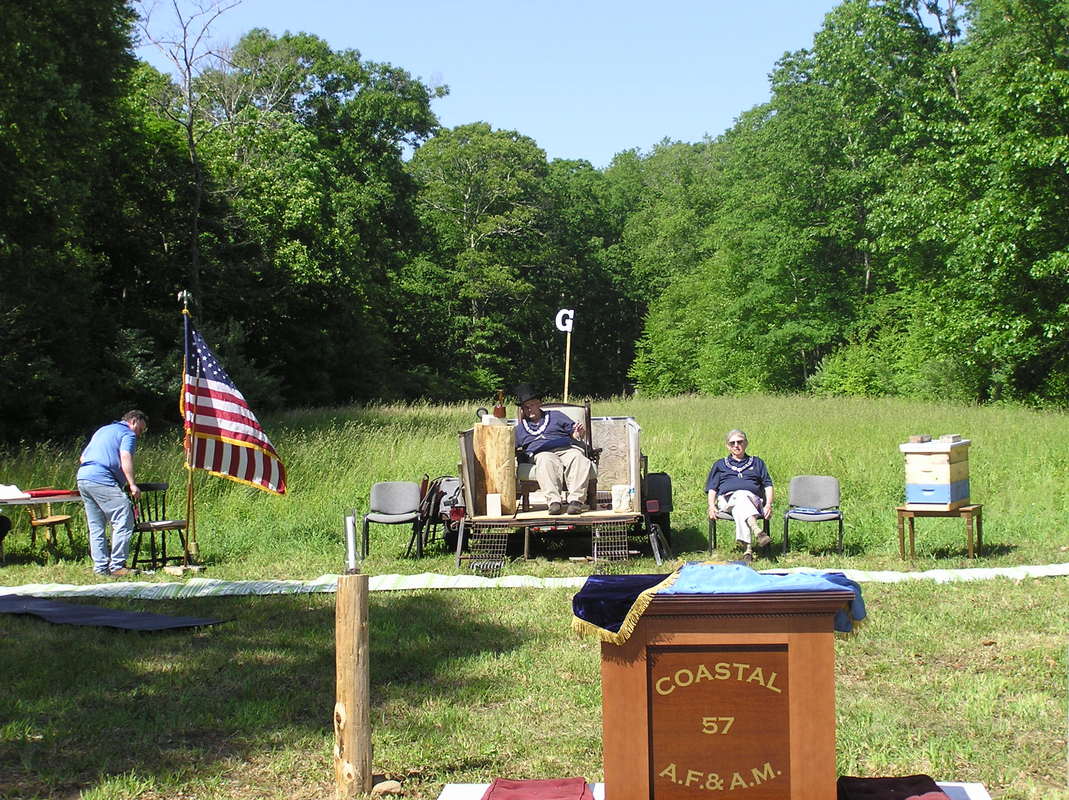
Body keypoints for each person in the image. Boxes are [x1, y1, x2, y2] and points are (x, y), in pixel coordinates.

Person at [76, 410, 148, 576]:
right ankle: (117, 566)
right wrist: (132, 484)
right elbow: (125, 456)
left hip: (84, 476)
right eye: (140, 429)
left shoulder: (103, 430)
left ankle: (100, 568)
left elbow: (82, 457)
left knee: (96, 525)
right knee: (124, 514)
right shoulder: (127, 434)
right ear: (134, 421)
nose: (139, 434)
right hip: (102, 478)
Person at [513, 384, 596, 515]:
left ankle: (576, 502)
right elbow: (512, 446)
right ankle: (554, 502)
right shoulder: (520, 429)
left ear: (539, 403)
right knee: (546, 460)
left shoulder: (556, 416)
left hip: (566, 448)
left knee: (578, 457)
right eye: (525, 407)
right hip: (541, 452)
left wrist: (578, 433)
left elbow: (575, 433)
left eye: (532, 405)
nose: (529, 409)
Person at [705, 429, 774, 559]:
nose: (736, 445)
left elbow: (768, 485)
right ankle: (757, 530)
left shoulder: (757, 462)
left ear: (746, 443)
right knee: (741, 495)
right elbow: (712, 488)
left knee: (741, 503)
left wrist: (768, 504)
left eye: (740, 442)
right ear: (728, 446)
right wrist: (711, 506)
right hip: (726, 501)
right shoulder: (720, 465)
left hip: (753, 501)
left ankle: (748, 549)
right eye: (732, 443)